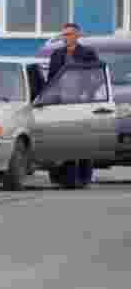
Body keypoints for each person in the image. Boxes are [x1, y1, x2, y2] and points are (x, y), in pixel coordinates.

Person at [45, 22, 100, 187]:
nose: (65, 38)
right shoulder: (57, 54)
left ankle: (84, 178)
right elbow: (51, 78)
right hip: (62, 102)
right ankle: (65, 178)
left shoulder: (87, 53)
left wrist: (88, 93)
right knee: (64, 140)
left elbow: (97, 75)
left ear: (77, 35)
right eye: (64, 35)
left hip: (82, 102)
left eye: (69, 34)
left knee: (83, 140)